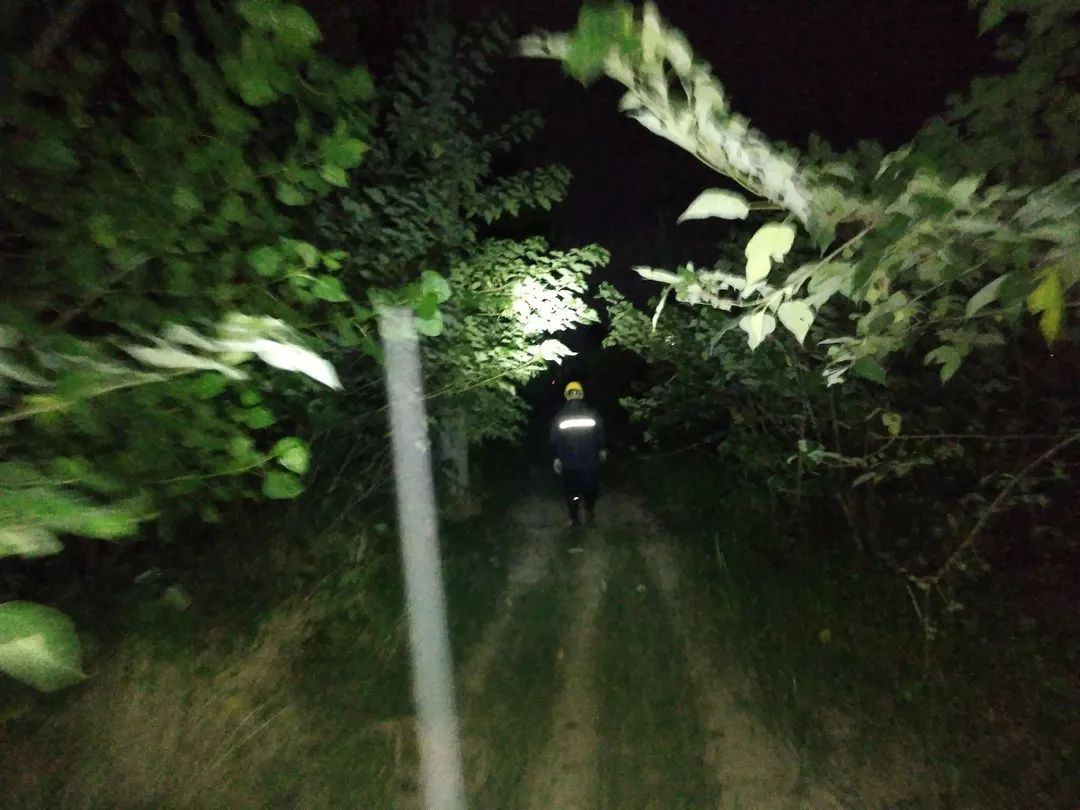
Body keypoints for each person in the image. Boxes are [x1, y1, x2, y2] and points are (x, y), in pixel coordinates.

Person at [549, 381, 607, 527]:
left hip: (569, 463)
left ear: (567, 396)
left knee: (572, 492)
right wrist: (602, 450)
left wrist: (556, 458)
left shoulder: (560, 415)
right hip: (589, 461)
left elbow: (554, 439)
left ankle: (575, 519)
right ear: (581, 395)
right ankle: (589, 512)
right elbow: (600, 434)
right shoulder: (592, 413)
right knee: (590, 489)